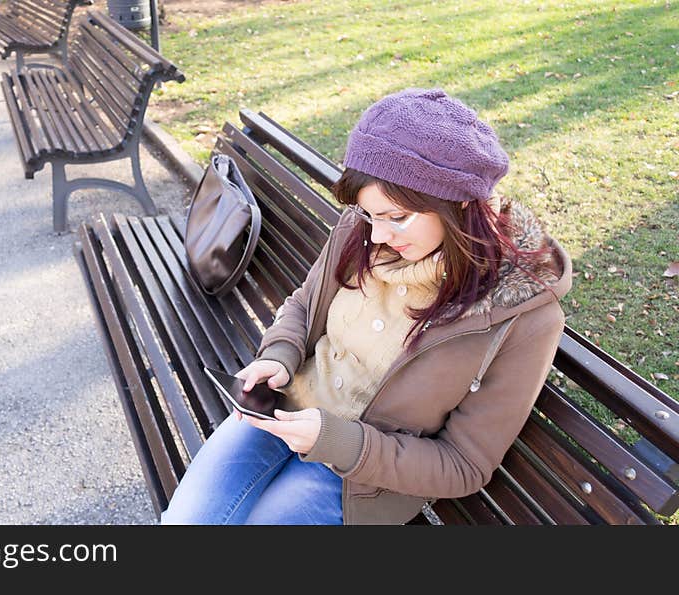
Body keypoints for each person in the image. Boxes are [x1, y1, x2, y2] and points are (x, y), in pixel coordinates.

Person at [160, 87, 572, 525]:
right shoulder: (358, 230)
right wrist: (279, 357)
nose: (376, 236)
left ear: (460, 204)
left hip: (361, 478)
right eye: (369, 214)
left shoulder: (523, 317)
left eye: (396, 217)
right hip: (280, 408)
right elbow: (304, 304)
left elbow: (464, 466)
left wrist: (341, 442)